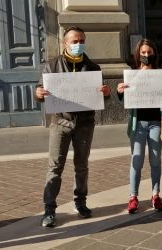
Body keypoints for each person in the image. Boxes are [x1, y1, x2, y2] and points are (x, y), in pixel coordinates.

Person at [34, 26, 111, 227]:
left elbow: (102, 95)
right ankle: (49, 209)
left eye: (81, 41)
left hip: (84, 124)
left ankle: (80, 203)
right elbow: (39, 90)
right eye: (74, 41)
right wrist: (39, 94)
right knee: (55, 167)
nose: (78, 45)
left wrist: (105, 92)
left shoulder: (93, 68)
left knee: (82, 165)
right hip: (60, 123)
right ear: (64, 43)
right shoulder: (52, 66)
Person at [116, 39, 162, 214]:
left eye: (149, 52)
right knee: (136, 159)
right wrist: (120, 91)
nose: (146, 55)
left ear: (154, 53)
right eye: (143, 53)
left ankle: (155, 195)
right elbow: (124, 99)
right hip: (138, 123)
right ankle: (133, 197)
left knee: (155, 160)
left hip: (156, 123)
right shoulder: (132, 74)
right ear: (138, 54)